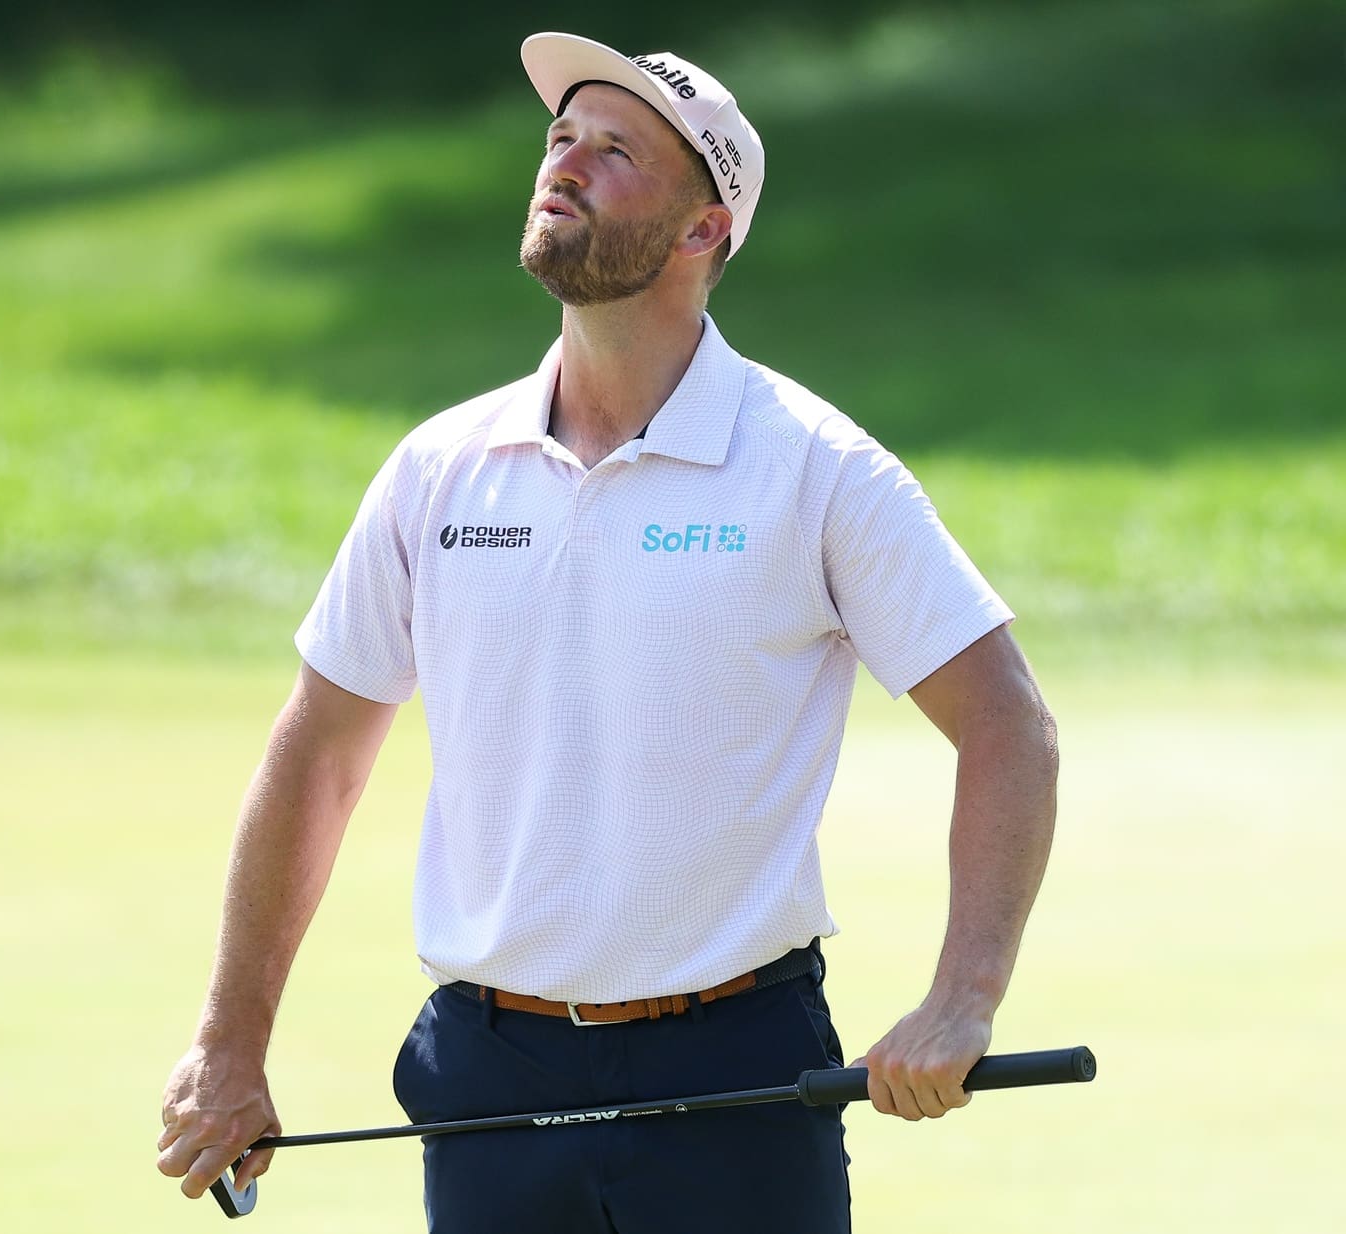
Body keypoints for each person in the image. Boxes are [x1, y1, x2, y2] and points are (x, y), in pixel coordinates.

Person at [158, 31, 1059, 1233]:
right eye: (559, 137)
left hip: (734, 1067)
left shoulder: (817, 469)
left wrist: (962, 997)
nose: (564, 163)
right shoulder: (438, 467)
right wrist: (229, 1045)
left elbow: (1009, 726)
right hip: (488, 1070)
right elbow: (318, 757)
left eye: (615, 149)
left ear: (701, 232)